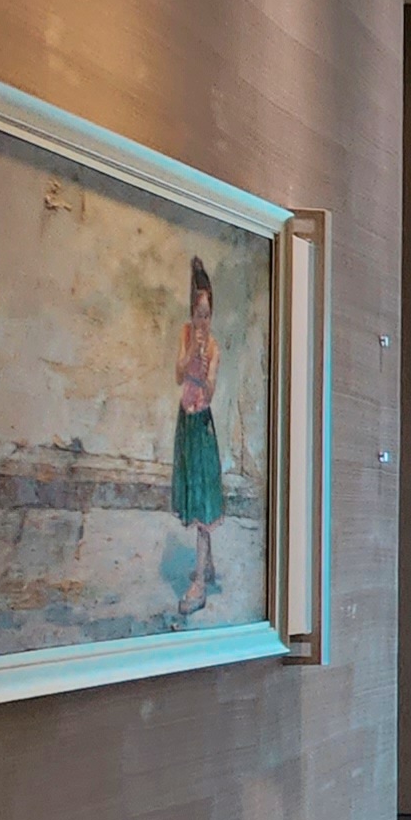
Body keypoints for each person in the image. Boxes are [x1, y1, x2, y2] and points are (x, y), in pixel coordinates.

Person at [172, 256, 226, 616]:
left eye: (207, 315)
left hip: (202, 423)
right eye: (198, 314)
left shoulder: (215, 347)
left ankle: (201, 584)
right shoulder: (186, 334)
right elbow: (178, 374)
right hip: (186, 421)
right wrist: (192, 352)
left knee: (205, 499)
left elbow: (211, 390)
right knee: (193, 495)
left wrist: (205, 371)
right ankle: (207, 565)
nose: (202, 322)